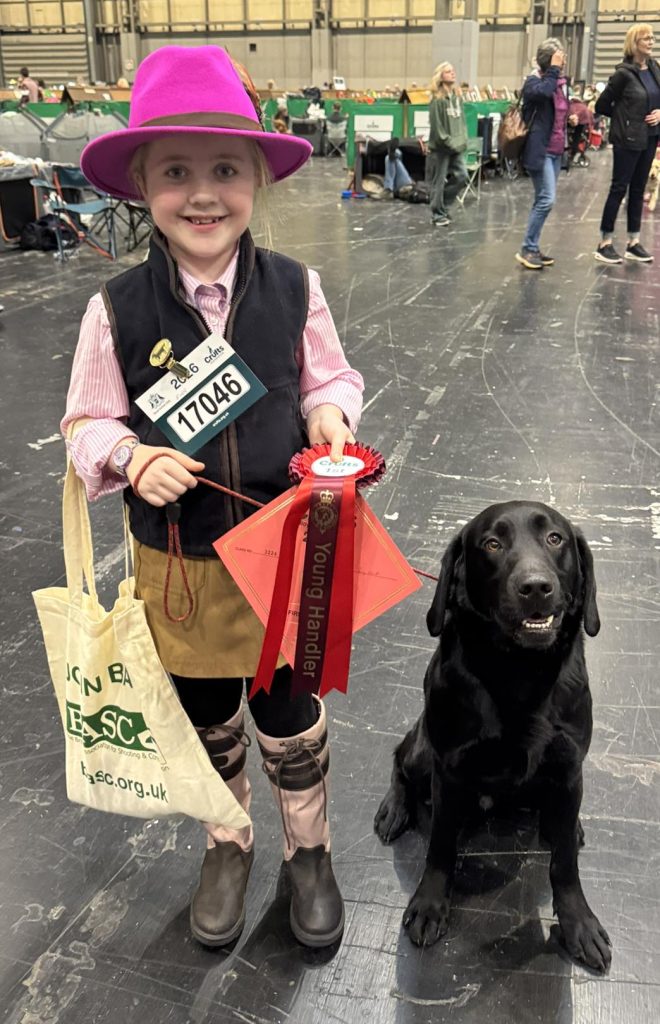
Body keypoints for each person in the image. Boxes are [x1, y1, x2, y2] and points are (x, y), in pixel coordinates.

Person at [62, 45, 364, 951]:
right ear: (142, 186)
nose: (203, 194)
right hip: (180, 571)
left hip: (283, 557)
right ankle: (226, 844)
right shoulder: (115, 311)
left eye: (226, 170)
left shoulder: (295, 290)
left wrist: (328, 414)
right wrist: (127, 456)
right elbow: (83, 424)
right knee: (207, 718)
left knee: (290, 714)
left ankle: (307, 853)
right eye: (177, 172)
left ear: (259, 181)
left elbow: (333, 377)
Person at [594, 24, 660, 264]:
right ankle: (605, 243)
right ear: (634, 43)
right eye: (646, 39)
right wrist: (626, 119)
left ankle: (633, 242)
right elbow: (602, 105)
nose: (651, 42)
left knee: (638, 189)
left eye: (653, 38)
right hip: (627, 139)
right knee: (619, 188)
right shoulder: (623, 74)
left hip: (650, 137)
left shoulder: (654, 68)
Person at [516, 39, 576, 270]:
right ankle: (527, 248)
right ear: (549, 60)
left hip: (556, 150)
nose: (563, 61)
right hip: (539, 151)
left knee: (542, 199)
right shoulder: (534, 82)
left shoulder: (560, 83)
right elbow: (542, 94)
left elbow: (558, 108)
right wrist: (553, 69)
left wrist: (568, 117)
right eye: (559, 58)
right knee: (546, 200)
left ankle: (532, 246)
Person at [427, 62, 468, 227]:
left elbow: (462, 121)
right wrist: (448, 142)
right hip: (441, 148)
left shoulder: (457, 97)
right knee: (438, 181)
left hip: (456, 147)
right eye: (448, 71)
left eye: (453, 70)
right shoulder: (437, 99)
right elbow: (437, 127)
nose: (453, 73)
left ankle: (442, 206)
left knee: (462, 176)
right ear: (441, 76)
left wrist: (463, 139)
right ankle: (438, 214)